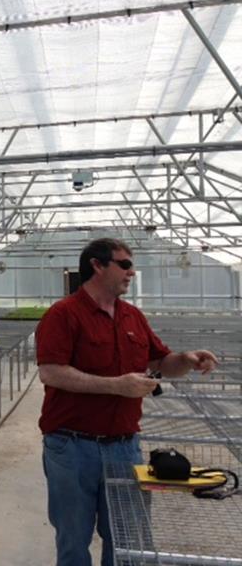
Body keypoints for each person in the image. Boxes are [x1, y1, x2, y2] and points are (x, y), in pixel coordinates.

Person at [36, 237, 217, 566]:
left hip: (124, 444)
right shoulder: (63, 314)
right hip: (72, 446)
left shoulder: (132, 317)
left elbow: (161, 362)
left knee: (126, 536)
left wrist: (187, 359)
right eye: (125, 264)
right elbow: (51, 373)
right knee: (73, 537)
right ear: (97, 265)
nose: (132, 272)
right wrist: (116, 386)